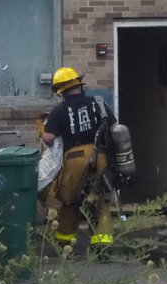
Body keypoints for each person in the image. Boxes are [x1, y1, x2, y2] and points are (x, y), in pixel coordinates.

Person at [41, 66, 116, 254]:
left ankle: (65, 244)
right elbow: (114, 127)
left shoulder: (59, 110)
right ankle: (102, 246)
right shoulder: (98, 103)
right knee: (101, 202)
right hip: (100, 156)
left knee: (69, 201)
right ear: (78, 85)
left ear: (61, 91)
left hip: (74, 160)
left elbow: (49, 138)